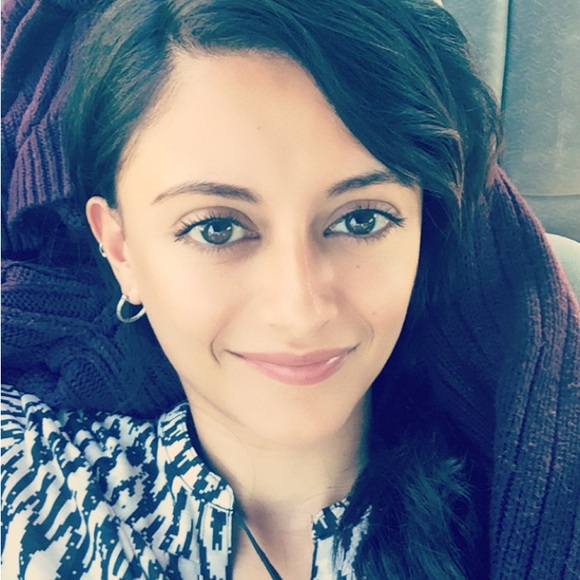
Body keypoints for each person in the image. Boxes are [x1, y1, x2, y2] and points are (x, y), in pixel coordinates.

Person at [1, 0, 579, 578]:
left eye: (361, 220)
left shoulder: (532, 500)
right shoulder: (27, 477)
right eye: (217, 228)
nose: (301, 311)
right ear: (121, 248)